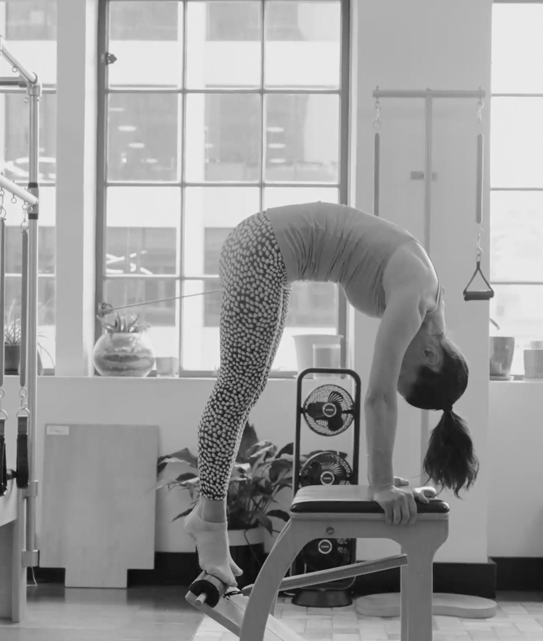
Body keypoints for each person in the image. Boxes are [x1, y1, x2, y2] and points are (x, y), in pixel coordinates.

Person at [185, 201, 479, 590]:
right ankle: (208, 522)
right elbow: (377, 398)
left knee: (247, 386)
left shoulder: (426, 300)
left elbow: (382, 395)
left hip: (268, 251)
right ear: (430, 354)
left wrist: (390, 482)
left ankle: (206, 516)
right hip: (262, 247)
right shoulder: (416, 301)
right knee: (236, 387)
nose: (394, 373)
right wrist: (383, 487)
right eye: (403, 376)